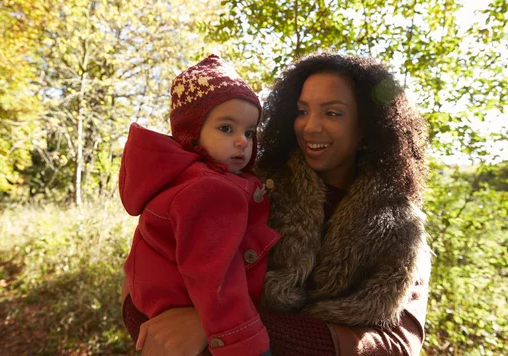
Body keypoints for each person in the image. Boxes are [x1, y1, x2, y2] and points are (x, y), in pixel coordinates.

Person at [124, 52, 432, 356]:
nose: (310, 127)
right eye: (301, 111)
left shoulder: (402, 228)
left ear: (367, 125)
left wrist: (223, 327)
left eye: (332, 113)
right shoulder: (249, 187)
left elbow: (399, 345)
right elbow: (146, 278)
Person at [119, 54, 280, 356]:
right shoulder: (209, 190)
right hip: (202, 324)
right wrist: (244, 342)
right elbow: (216, 279)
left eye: (249, 132)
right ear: (191, 133)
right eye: (226, 129)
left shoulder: (181, 178)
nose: (243, 142)